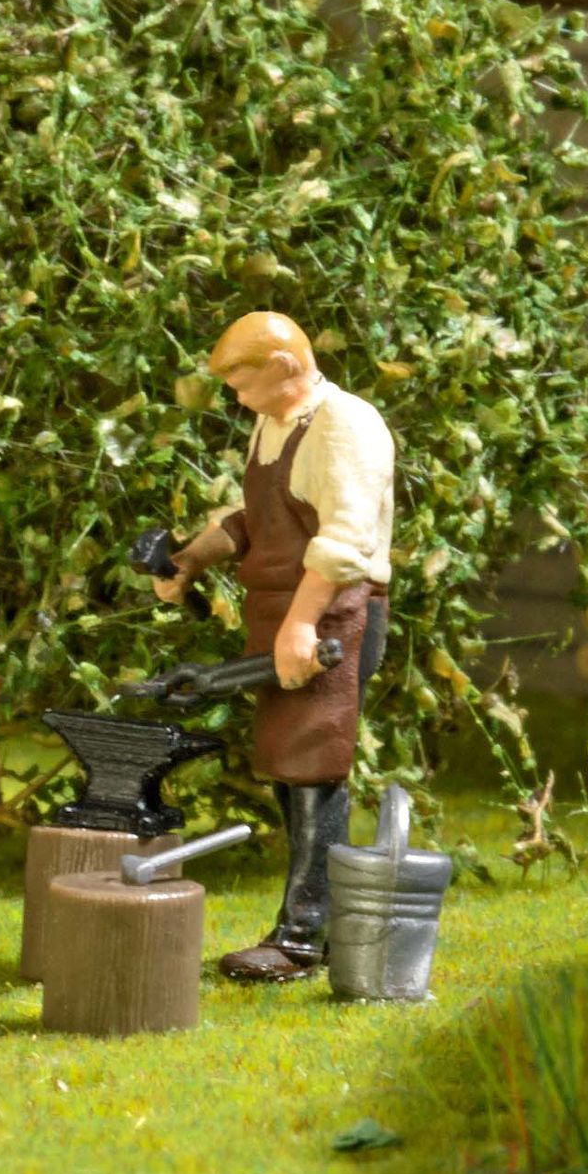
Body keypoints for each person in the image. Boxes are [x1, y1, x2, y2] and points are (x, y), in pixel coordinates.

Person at [153, 312, 394, 982]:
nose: (234, 395)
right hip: (284, 614)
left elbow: (344, 542)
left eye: (241, 380)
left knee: (313, 769)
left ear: (285, 367)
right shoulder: (275, 423)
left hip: (333, 615)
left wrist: (301, 624)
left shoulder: (346, 425)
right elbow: (256, 520)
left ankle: (303, 939)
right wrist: (192, 559)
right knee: (292, 773)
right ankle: (324, 926)